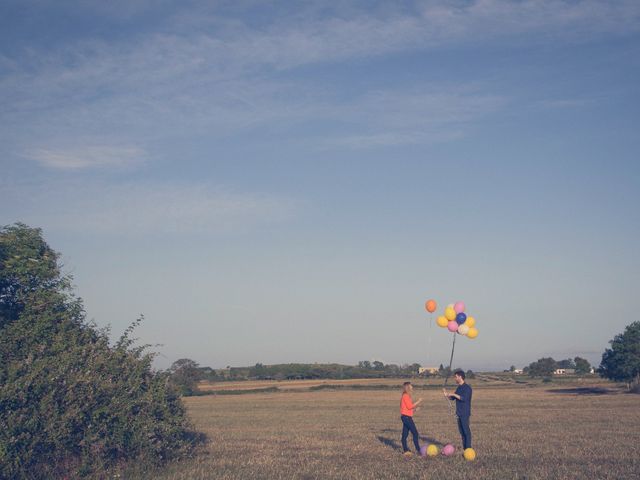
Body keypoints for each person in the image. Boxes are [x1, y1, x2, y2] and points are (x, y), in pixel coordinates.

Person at [443, 370, 472, 450]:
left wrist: (453, 394)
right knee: (462, 432)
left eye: (456, 377)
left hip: (465, 413)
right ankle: (464, 448)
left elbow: (463, 398)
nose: (455, 379)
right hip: (458, 413)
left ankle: (468, 448)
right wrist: (447, 395)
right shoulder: (459, 387)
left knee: (466, 432)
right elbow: (453, 398)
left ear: (460, 377)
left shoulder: (467, 388)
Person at [400, 381, 423, 456]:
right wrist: (418, 401)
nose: (412, 387)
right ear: (407, 387)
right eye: (411, 386)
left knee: (405, 434)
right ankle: (418, 450)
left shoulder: (406, 396)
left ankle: (405, 450)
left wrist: (415, 410)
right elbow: (410, 406)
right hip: (406, 418)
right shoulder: (405, 396)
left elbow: (407, 409)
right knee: (415, 433)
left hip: (406, 417)